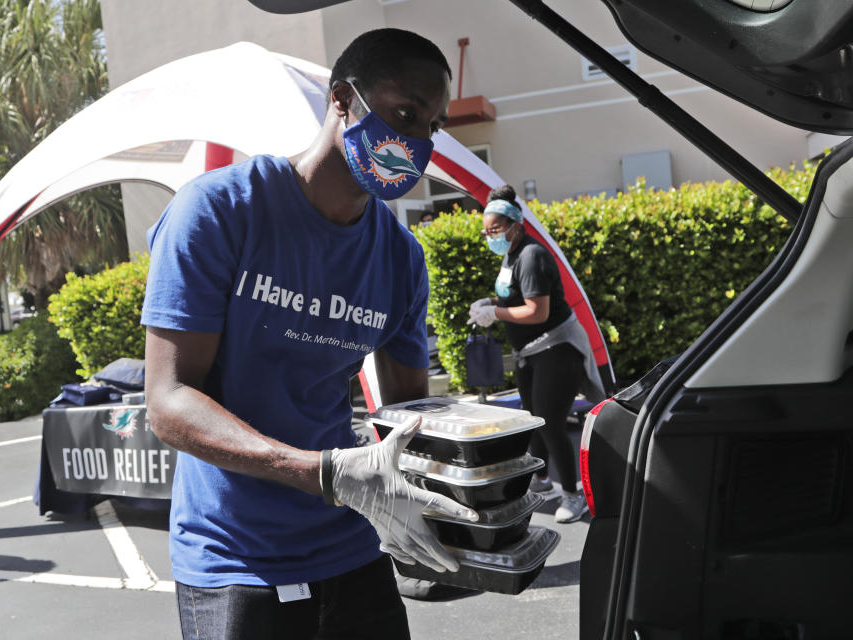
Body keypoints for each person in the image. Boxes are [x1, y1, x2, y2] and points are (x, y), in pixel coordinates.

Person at [141, 29, 478, 640]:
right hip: (234, 559)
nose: (417, 140)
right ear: (341, 99)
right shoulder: (220, 213)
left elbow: (407, 420)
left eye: (432, 125)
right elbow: (167, 404)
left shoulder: (401, 260)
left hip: (352, 547)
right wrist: (324, 473)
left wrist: (478, 494)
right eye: (404, 113)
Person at [468, 185, 606, 524]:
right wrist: (492, 304)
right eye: (486, 232)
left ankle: (574, 496)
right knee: (532, 417)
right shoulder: (511, 254)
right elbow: (515, 296)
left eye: (495, 230)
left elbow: (537, 311)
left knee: (551, 420)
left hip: (555, 347)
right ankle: (543, 482)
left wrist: (496, 315)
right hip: (529, 351)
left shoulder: (532, 255)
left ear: (515, 225)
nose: (490, 237)